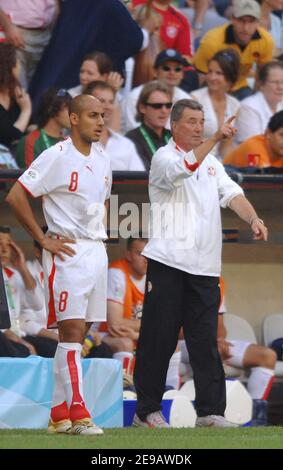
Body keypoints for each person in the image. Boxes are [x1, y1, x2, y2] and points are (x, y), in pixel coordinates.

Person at [133, 98, 268, 428]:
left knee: (205, 341)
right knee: (159, 339)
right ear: (174, 126)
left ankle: (210, 413)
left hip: (206, 267)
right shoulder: (164, 158)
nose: (197, 127)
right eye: (191, 122)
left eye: (201, 121)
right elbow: (186, 167)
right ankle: (146, 412)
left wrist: (253, 218)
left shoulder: (213, 164)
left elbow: (232, 194)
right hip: (168, 262)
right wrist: (216, 138)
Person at [6, 94, 112, 436]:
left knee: (81, 334)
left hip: (96, 251)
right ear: (74, 118)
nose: (100, 121)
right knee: (70, 332)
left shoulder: (104, 158)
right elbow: (16, 195)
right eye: (93, 115)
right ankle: (80, 412)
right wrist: (43, 238)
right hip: (67, 253)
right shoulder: (57, 156)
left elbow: (103, 203)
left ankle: (58, 413)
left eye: (103, 115)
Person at [100, 236, 181, 390]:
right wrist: (148, 328)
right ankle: (124, 390)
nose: (146, 260)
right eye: (140, 254)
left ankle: (170, 391)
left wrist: (137, 333)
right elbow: (116, 324)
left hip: (135, 334)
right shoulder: (117, 273)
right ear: (128, 254)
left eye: (150, 255)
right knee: (125, 342)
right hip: (106, 335)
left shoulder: (155, 276)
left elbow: (164, 323)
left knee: (172, 344)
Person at [180, 277, 276, 400]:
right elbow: (170, 329)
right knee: (212, 351)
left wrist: (219, 340)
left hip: (208, 341)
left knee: (267, 356)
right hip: (179, 344)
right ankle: (205, 410)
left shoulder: (216, 281)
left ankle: (253, 412)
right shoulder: (178, 278)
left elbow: (219, 324)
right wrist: (209, 339)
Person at [193, 0, 274, 100]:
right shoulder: (212, 40)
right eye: (241, 20)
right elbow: (201, 76)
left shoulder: (266, 41)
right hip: (213, 87)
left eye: (251, 21)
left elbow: (262, 75)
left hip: (240, 87)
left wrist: (256, 99)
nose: (245, 27)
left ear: (258, 22)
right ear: (233, 19)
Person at [122, 48, 191, 132]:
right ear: (155, 71)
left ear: (182, 74)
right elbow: (134, 132)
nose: (172, 73)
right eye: (166, 68)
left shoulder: (186, 99)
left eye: (177, 69)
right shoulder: (136, 97)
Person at [191, 48, 240, 160]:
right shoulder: (195, 99)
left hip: (218, 165)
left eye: (218, 73)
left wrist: (226, 170)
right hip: (196, 161)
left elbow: (225, 148)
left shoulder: (235, 104)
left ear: (229, 79)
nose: (212, 77)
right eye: (210, 72)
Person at [84, 81, 145, 170]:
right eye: (101, 101)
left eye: (111, 102)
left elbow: (139, 181)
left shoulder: (125, 145)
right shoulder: (73, 145)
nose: (108, 106)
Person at [0, 0, 59, 89]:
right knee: (15, 86)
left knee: (28, 87)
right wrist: (8, 26)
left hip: (43, 36)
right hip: (14, 33)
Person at [16, 88, 71, 168]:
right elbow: (29, 178)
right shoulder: (31, 141)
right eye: (67, 108)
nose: (73, 114)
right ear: (51, 109)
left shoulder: (69, 142)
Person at [126, 81, 172, 170]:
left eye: (168, 105)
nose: (164, 110)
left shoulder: (174, 137)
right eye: (157, 106)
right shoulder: (131, 140)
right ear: (142, 108)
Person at [235, 61, 283, 143]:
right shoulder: (248, 107)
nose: (280, 87)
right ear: (262, 85)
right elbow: (252, 148)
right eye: (275, 82)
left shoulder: (281, 104)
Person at [0, 42, 32, 150]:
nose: (19, 67)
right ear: (9, 66)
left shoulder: (16, 94)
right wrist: (26, 111)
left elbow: (29, 125)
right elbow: (8, 137)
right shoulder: (23, 103)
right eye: (18, 62)